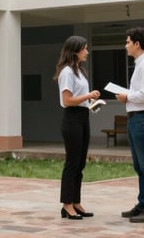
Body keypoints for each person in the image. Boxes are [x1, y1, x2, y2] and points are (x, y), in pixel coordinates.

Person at [115, 26, 144, 223]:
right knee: (140, 166)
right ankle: (143, 204)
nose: (125, 46)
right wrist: (129, 96)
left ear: (137, 44)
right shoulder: (141, 64)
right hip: (137, 118)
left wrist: (126, 96)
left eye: (127, 42)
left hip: (143, 118)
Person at [53, 35, 101, 221]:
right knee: (72, 162)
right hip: (72, 119)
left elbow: (80, 98)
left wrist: (91, 101)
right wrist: (88, 95)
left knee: (80, 162)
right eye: (85, 48)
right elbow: (66, 101)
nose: (87, 52)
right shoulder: (67, 72)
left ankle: (76, 201)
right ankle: (67, 204)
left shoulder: (80, 71)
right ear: (75, 51)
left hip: (83, 117)